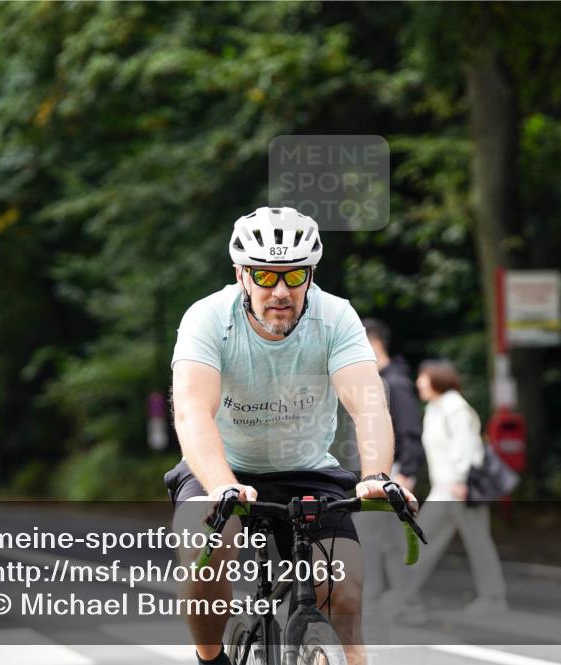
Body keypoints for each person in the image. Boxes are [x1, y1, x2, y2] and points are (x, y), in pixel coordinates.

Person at [164, 206, 418, 665]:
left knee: (344, 597)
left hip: (307, 470)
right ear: (241, 274)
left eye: (294, 276)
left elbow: (368, 403)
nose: (280, 291)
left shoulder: (337, 317)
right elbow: (192, 412)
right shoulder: (207, 319)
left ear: (311, 274)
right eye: (265, 278)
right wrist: (222, 484)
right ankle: (211, 657)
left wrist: (378, 473)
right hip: (221, 467)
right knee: (205, 551)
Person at [390, 359, 508, 619]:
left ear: (438, 379)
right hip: (444, 490)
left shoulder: (454, 406)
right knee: (422, 541)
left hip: (458, 489)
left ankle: (493, 598)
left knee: (476, 544)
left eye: (423, 377)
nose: (419, 383)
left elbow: (465, 445)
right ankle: (404, 596)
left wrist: (460, 480)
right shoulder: (435, 407)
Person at [358, 319, 424, 610]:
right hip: (384, 474)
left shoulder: (394, 382)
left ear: (374, 344)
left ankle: (402, 600)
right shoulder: (380, 380)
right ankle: (392, 598)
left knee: (387, 539)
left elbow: (410, 430)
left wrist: (407, 473)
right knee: (379, 539)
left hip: (395, 473)